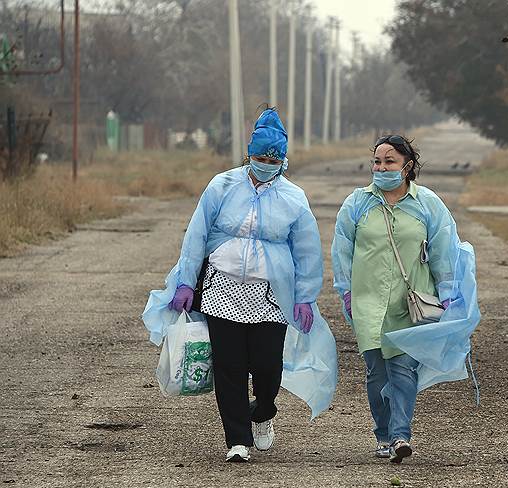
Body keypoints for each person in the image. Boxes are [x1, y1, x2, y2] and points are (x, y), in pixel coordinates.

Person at [143, 108, 337, 463]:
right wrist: (186, 281)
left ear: (282, 159)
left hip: (270, 293)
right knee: (229, 367)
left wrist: (305, 297)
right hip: (222, 288)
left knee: (267, 366)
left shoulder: (294, 198)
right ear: (249, 154)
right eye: (260, 157)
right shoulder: (222, 185)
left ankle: (263, 411)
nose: (265, 163)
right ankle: (237, 439)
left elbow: (307, 251)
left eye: (272, 158)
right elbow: (197, 234)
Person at [332, 134, 480, 464]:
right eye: (377, 161)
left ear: (407, 166)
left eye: (389, 162)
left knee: (403, 370)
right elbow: (342, 250)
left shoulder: (427, 204)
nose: (381, 167)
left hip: (410, 301)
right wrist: (345, 290)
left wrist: (449, 294)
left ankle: (401, 435)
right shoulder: (357, 204)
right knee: (376, 374)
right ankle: (382, 432)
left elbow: (444, 251)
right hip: (367, 302)